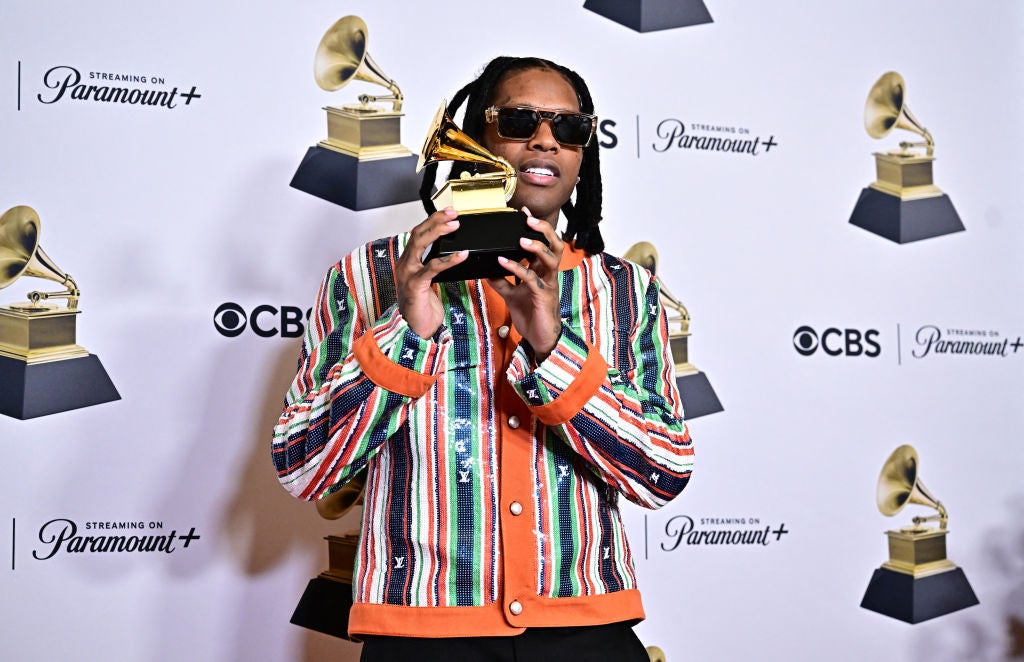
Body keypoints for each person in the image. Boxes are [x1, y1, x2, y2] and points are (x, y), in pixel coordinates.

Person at [272, 55, 694, 661]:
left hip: (586, 632)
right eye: (520, 120)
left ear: (583, 154)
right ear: (476, 137)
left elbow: (664, 474)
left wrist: (552, 346)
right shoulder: (366, 276)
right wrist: (407, 330)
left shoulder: (625, 290)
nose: (546, 139)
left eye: (569, 128)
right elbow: (303, 469)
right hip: (420, 633)